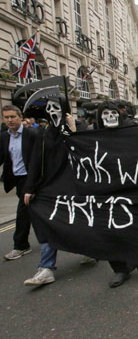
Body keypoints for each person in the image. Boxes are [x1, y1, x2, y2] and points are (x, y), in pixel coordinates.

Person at [22, 93, 77, 286]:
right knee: (47, 223)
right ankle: (46, 268)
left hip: (72, 187)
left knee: (78, 224)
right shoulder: (43, 133)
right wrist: (29, 188)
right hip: (49, 187)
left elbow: (82, 153)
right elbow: (35, 161)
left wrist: (73, 131)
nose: (53, 111)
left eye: (57, 107)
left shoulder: (75, 128)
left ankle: (90, 250)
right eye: (50, 107)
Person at [95, 100, 138, 287]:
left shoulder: (131, 131)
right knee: (108, 230)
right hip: (104, 190)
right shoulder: (92, 137)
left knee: (131, 225)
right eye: (105, 113)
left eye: (113, 113)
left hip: (130, 187)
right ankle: (120, 269)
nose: (110, 117)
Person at [1, 105, 39, 260]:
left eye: (12, 117)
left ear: (20, 117)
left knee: (22, 212)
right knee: (37, 214)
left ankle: (21, 246)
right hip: (17, 180)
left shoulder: (32, 135)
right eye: (6, 117)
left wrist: (34, 184)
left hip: (32, 180)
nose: (10, 120)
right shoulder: (4, 137)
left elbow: (39, 160)